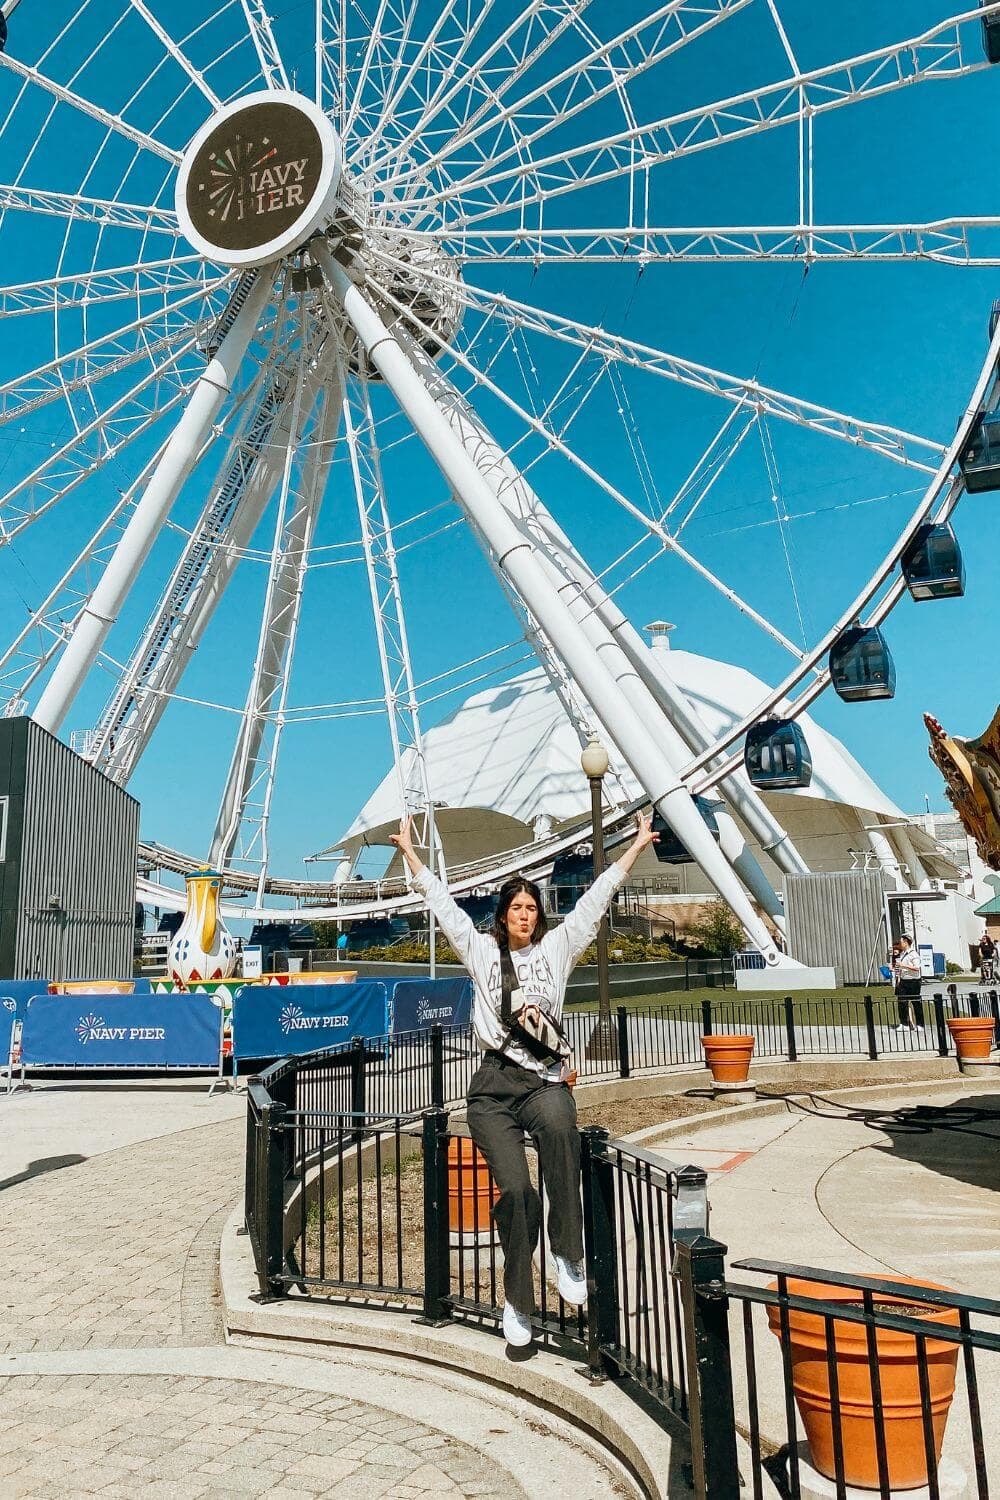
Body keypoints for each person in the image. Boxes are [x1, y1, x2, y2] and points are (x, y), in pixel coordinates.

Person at [391, 810, 659, 1349]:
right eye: (516, 908)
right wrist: (412, 858)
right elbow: (443, 907)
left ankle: (567, 1252)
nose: (525, 915)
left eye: (532, 909)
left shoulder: (557, 951)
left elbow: (593, 902)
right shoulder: (482, 952)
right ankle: (517, 1301)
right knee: (516, 1191)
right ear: (502, 915)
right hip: (493, 1087)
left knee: (562, 1131)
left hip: (542, 1083)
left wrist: (633, 849)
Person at [893, 934, 922, 1031]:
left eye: (901, 942)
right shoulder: (902, 954)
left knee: (916, 1003)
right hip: (904, 981)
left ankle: (920, 1025)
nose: (900, 944)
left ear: (906, 942)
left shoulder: (914, 954)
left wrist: (903, 965)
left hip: (913, 981)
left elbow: (917, 968)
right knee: (902, 1002)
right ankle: (904, 1024)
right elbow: (901, 967)